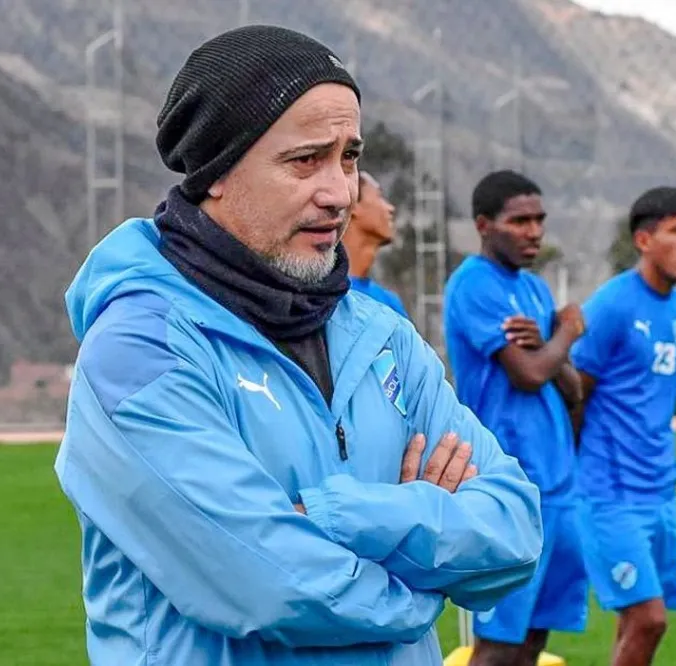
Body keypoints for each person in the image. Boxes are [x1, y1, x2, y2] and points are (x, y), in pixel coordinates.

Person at [55, 26, 543, 666]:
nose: (340, 192)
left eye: (348, 157)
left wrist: (337, 513)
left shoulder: (379, 333)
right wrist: (428, 586)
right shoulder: (140, 348)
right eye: (305, 159)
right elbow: (272, 584)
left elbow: (514, 531)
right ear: (217, 171)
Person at [443, 170, 588, 666]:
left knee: (534, 639)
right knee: (499, 645)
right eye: (519, 221)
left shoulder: (535, 289)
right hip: (510, 479)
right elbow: (528, 374)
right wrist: (566, 333)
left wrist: (552, 341)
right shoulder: (473, 285)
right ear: (484, 225)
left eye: (539, 220)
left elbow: (571, 388)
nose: (534, 231)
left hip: (559, 482)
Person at [571, 186, 676, 666]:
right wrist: (575, 469)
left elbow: (671, 388)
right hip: (609, 493)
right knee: (650, 619)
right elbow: (575, 390)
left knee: (637, 624)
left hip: (661, 491)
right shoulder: (611, 306)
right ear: (645, 240)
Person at [345, 170, 409, 317]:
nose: (390, 208)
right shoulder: (323, 301)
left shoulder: (389, 303)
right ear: (352, 205)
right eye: (379, 196)